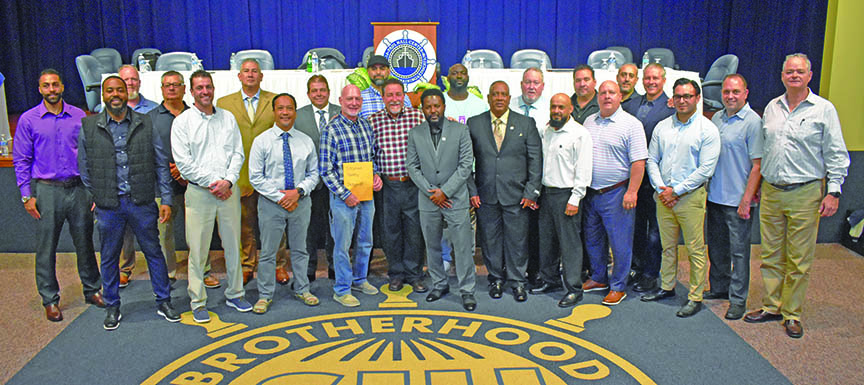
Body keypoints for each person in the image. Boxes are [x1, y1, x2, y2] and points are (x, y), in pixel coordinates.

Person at [744, 53, 849, 338]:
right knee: (771, 254)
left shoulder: (823, 109)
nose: (794, 76)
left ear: (809, 75)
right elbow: (763, 151)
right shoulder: (771, 108)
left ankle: (792, 313)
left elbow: (836, 154)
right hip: (773, 192)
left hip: (806, 192)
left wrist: (834, 191)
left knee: (799, 258)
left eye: (799, 71)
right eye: (789, 71)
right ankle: (771, 305)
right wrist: (757, 188)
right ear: (782, 75)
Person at [78, 76, 180, 330]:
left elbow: (160, 163)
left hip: (142, 202)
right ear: (103, 95)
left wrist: (166, 198)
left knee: (154, 252)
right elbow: (84, 168)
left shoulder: (145, 123)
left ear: (127, 93)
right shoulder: (89, 126)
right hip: (109, 205)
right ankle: (112, 305)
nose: (115, 94)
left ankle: (164, 300)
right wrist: (99, 194)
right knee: (110, 256)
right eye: (110, 90)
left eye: (120, 90)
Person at [12, 69, 104, 322]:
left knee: (85, 243)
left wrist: (93, 189)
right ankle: (50, 299)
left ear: (62, 86)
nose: (51, 89)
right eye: (46, 86)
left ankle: (92, 289)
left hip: (79, 188)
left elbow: (90, 154)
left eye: (55, 85)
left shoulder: (78, 115)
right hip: (47, 190)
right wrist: (26, 195)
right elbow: (21, 159)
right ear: (40, 89)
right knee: (46, 248)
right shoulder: (29, 120)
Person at [172, 70, 252, 323]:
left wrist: (228, 181)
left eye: (208, 87)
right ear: (191, 91)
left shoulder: (227, 118)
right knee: (197, 249)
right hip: (199, 193)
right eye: (199, 88)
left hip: (228, 191)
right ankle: (198, 300)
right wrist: (212, 183)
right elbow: (184, 164)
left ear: (213, 88)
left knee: (233, 245)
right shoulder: (182, 122)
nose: (205, 92)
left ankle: (236, 293)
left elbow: (238, 153)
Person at [641, 79, 720, 318]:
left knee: (695, 249)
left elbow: (706, 169)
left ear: (697, 98)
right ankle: (666, 286)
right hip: (663, 196)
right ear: (673, 99)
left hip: (690, 198)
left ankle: (695, 296)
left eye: (687, 96)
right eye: (678, 96)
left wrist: (676, 191)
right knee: (667, 247)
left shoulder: (707, 130)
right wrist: (662, 188)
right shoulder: (663, 127)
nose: (682, 101)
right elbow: (651, 160)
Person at [468, 81, 542, 302]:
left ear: (510, 98)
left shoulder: (526, 123)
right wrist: (472, 190)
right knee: (490, 240)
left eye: (503, 94)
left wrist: (531, 192)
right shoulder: (474, 124)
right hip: (485, 194)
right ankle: (496, 279)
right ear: (488, 98)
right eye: (495, 94)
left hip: (518, 196)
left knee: (517, 241)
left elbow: (536, 161)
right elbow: (465, 161)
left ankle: (518, 281)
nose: (499, 98)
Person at [406, 88, 478, 311]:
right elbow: (412, 166)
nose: (433, 110)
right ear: (423, 109)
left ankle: (467, 290)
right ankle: (439, 284)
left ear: (444, 107)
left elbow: (466, 165)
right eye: (428, 107)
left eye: (437, 106)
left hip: (455, 198)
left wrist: (445, 191)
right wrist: (431, 192)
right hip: (428, 199)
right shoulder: (416, 133)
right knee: (432, 244)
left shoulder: (460, 130)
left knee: (463, 246)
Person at [248, 93, 320, 313]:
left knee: (301, 249)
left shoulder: (305, 141)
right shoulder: (262, 141)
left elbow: (314, 173)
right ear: (274, 112)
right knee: (269, 252)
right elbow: (255, 177)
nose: (285, 113)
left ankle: (302, 288)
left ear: (295, 112)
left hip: (300, 202)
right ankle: (265, 295)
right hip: (271, 204)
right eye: (281, 108)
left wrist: (297, 192)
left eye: (289, 108)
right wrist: (281, 197)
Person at [581, 81, 647, 306]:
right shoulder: (590, 121)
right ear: (598, 97)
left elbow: (639, 162)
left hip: (617, 193)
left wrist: (632, 191)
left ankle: (618, 286)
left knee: (620, 243)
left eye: (612, 93)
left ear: (620, 96)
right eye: (603, 93)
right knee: (593, 239)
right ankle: (599, 278)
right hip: (591, 193)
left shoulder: (631, 125)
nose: (607, 96)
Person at [705, 74, 763, 320]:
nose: (730, 96)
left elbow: (758, 165)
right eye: (726, 91)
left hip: (738, 200)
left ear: (745, 93)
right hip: (715, 197)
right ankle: (719, 288)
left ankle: (738, 299)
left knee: (739, 253)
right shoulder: (717, 118)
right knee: (717, 248)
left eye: (735, 92)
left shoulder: (753, 122)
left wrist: (746, 199)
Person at [319, 85, 384, 307]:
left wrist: (376, 176)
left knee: (365, 241)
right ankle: (342, 289)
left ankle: (359, 279)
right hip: (343, 199)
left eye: (357, 99)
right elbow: (325, 169)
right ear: (341, 100)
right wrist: (345, 194)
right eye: (350, 99)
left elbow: (373, 156)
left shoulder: (366, 125)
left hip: (367, 196)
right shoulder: (332, 129)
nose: (354, 102)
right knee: (343, 245)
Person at [216, 58, 278, 285]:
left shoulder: (275, 101)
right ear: (239, 76)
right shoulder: (224, 103)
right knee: (245, 224)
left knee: (274, 222)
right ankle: (247, 264)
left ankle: (279, 265)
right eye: (246, 71)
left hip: (271, 173)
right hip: (239, 173)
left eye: (255, 71)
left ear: (261, 76)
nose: (250, 74)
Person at [367, 79, 427, 293]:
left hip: (412, 185)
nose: (394, 99)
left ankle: (415, 274)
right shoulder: (373, 121)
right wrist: (374, 172)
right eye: (389, 95)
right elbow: (369, 153)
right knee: (390, 232)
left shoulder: (418, 117)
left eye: (398, 94)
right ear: (383, 98)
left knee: (414, 231)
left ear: (405, 96)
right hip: (387, 186)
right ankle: (396, 274)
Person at [534, 93, 593, 307]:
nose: (557, 111)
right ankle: (550, 280)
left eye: (561, 107)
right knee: (547, 242)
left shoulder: (580, 134)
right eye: (553, 106)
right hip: (547, 193)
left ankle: (574, 288)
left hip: (567, 195)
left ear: (570, 110)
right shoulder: (546, 131)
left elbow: (584, 170)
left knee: (570, 246)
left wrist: (575, 199)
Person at [623, 62, 675, 293]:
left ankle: (651, 274)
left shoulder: (673, 107)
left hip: (657, 179)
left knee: (655, 231)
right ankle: (636, 266)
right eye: (648, 78)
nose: (651, 82)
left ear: (664, 80)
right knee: (635, 227)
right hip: (634, 179)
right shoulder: (632, 104)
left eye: (656, 78)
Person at [116, 64, 160, 287]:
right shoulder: (104, 109)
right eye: (126, 80)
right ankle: (125, 268)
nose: (130, 83)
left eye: (134, 79)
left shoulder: (152, 110)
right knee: (123, 229)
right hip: (119, 178)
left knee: (151, 228)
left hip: (146, 178)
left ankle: (158, 271)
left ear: (140, 82)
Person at [145, 71, 191, 284]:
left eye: (176, 84)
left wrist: (184, 170)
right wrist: (169, 170)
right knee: (165, 232)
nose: (172, 88)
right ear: (161, 89)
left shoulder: (196, 115)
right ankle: (168, 272)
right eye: (167, 85)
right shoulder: (150, 118)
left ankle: (203, 270)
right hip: (161, 184)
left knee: (196, 231)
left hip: (192, 183)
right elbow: (147, 152)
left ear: (184, 88)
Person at [293, 75, 339, 283]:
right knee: (308, 228)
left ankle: (335, 265)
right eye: (314, 90)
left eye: (322, 90)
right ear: (308, 93)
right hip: (309, 181)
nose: (319, 94)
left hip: (337, 181)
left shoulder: (341, 112)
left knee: (336, 226)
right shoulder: (298, 115)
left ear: (328, 92)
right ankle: (309, 268)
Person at [510, 67, 549, 285]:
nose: (531, 87)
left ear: (542, 86)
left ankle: (534, 270)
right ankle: (512, 268)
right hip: (511, 177)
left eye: (536, 83)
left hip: (537, 177)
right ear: (521, 84)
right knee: (513, 227)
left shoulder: (549, 109)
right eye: (527, 82)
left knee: (535, 228)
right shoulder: (511, 105)